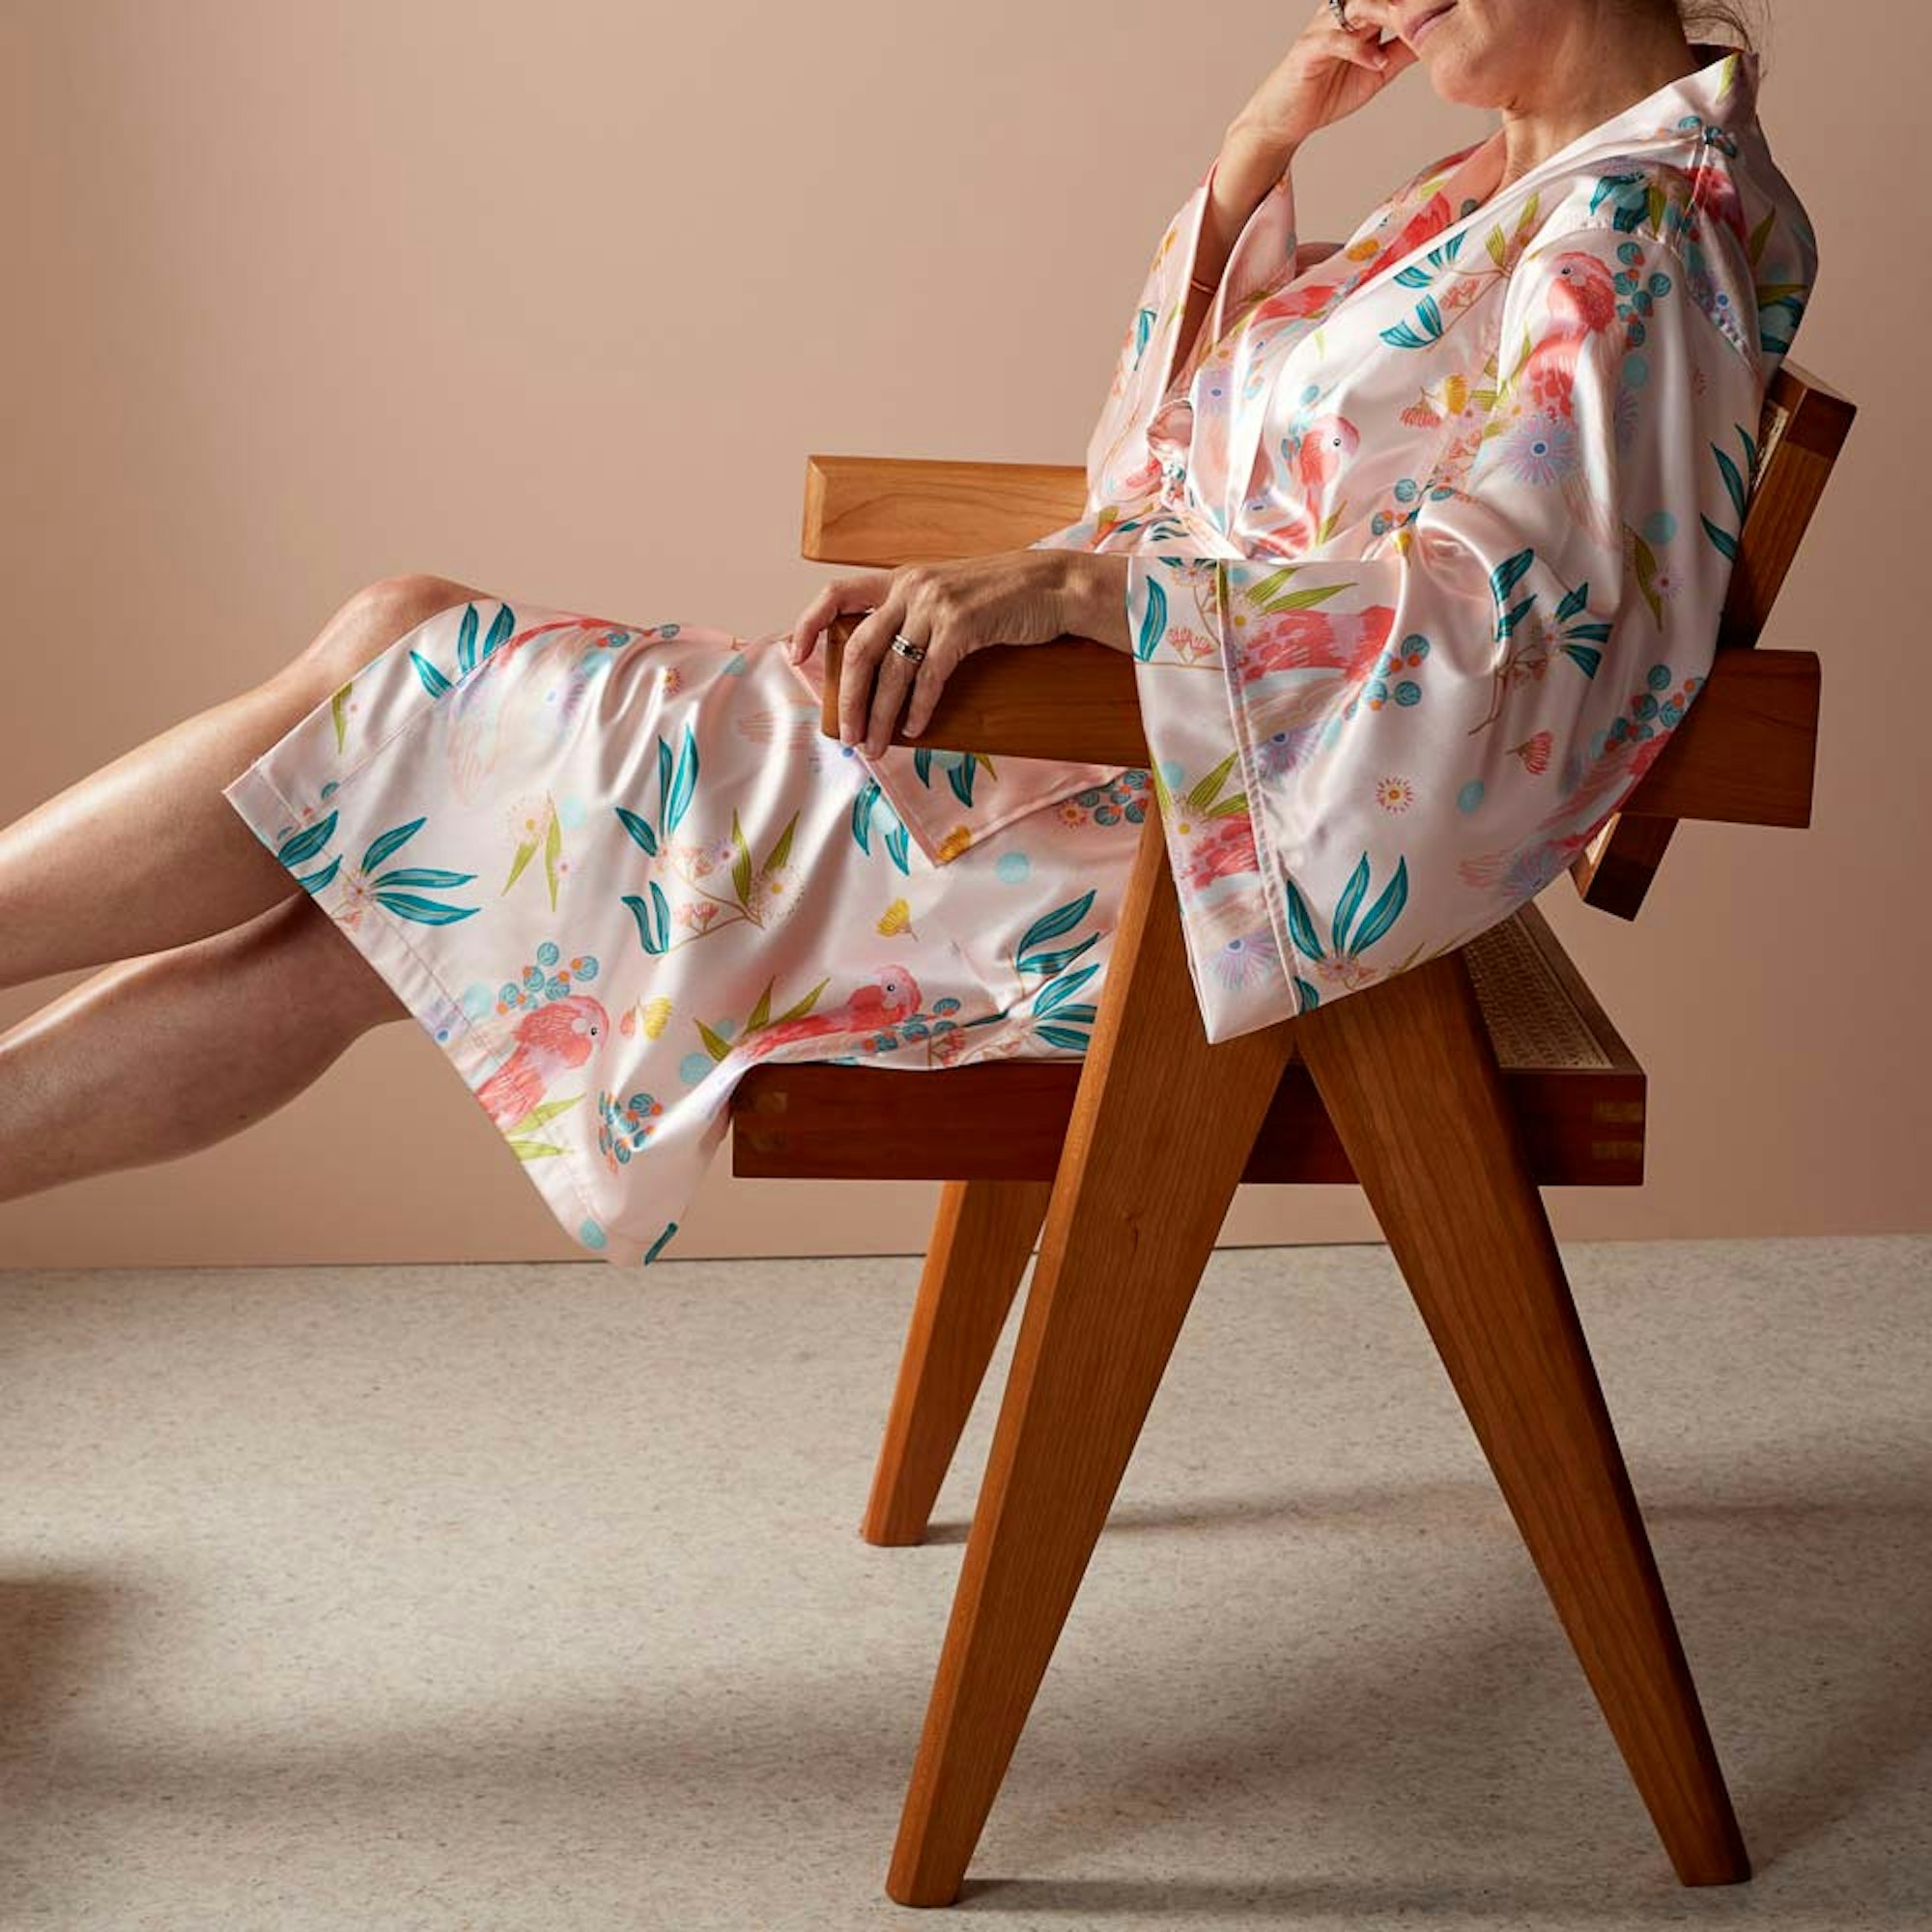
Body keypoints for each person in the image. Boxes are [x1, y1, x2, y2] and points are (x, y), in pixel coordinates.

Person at [0, 0, 1818, 1266]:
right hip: (1110, 782)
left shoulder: (1629, 235)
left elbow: (1515, 639)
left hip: (1154, 865)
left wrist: (1075, 589)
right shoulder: (1512, 185)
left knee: (403, 657)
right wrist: (1257, 155)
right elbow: (1179, 474)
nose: (1374, 11)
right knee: (362, 864)